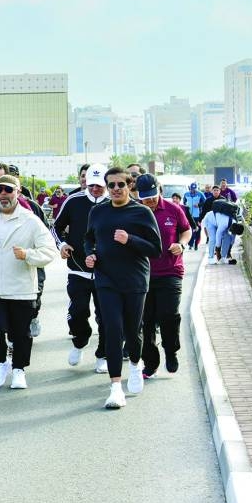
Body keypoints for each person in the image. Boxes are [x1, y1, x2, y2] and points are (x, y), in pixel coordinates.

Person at [0, 175, 57, 390]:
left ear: (18, 192)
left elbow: (49, 250)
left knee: (20, 332)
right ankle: (1, 363)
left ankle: (19, 370)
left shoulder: (30, 220)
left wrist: (28, 254)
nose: (3, 194)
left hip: (21, 287)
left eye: (8, 190)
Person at [84, 167, 162, 409]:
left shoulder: (141, 212)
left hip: (134, 280)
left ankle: (136, 364)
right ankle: (116, 387)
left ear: (130, 186)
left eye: (121, 184)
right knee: (112, 329)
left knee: (132, 329)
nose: (116, 189)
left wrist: (130, 240)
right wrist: (89, 255)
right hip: (106, 279)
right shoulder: (98, 211)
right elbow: (89, 238)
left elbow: (156, 249)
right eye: (111, 185)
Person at [53, 162, 109, 373]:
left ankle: (102, 354)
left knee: (105, 316)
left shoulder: (115, 202)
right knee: (77, 312)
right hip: (78, 268)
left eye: (99, 185)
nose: (95, 189)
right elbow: (56, 227)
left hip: (106, 271)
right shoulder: (74, 200)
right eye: (91, 184)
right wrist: (62, 245)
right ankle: (80, 340)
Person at [135, 175, 191, 378]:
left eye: (152, 195)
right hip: (142, 275)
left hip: (170, 271)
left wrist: (181, 244)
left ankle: (171, 350)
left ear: (159, 190)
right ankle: (150, 363)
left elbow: (186, 230)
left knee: (168, 315)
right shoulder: (134, 212)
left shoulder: (173, 209)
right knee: (145, 321)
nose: (150, 200)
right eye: (145, 197)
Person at [182, 182, 206, 251]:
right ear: (190, 188)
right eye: (192, 189)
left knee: (198, 230)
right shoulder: (186, 194)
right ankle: (190, 244)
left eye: (194, 189)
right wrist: (186, 207)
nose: (193, 190)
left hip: (197, 215)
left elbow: (205, 202)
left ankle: (196, 244)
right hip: (189, 215)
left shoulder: (200, 194)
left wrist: (199, 205)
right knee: (190, 230)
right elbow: (184, 202)